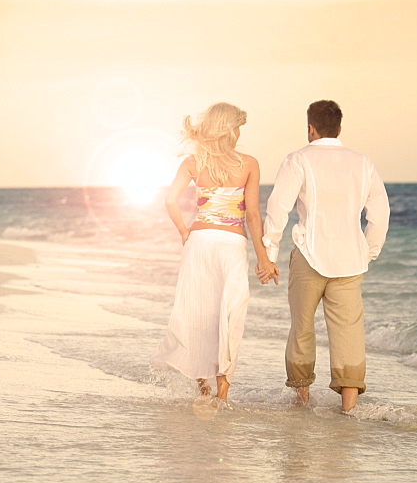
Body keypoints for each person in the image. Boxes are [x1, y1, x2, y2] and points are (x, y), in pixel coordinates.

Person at [260, 99, 390, 411]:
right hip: (350, 260)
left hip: (309, 254)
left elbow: (278, 207)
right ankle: (349, 409)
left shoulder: (298, 160)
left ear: (310, 128)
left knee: (302, 327)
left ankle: (302, 400)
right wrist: (368, 252)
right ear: (339, 128)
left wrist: (270, 253)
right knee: (349, 332)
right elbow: (380, 214)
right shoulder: (362, 162)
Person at [152, 102, 278, 404]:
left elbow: (171, 201)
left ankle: (202, 387)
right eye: (237, 128)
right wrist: (265, 259)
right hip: (231, 245)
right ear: (229, 129)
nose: (238, 134)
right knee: (230, 312)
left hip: (199, 242)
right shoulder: (249, 163)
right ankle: (222, 392)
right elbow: (252, 217)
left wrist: (185, 231)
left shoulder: (194, 163)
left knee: (200, 313)